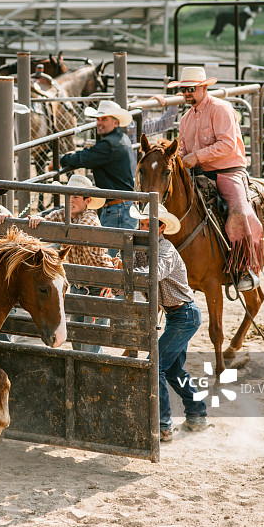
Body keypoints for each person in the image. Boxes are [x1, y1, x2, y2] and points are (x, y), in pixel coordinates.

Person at [169, 66, 263, 291]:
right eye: (184, 90)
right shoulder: (185, 120)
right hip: (198, 172)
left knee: (239, 210)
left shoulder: (221, 109)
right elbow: (183, 150)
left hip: (228, 170)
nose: (187, 93)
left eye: (191, 89)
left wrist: (196, 156)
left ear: (203, 88)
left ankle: (244, 266)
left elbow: (228, 144)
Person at [125, 204, 207, 442]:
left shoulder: (166, 249)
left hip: (184, 315)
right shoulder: (143, 248)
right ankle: (197, 414)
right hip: (179, 316)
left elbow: (155, 272)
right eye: (140, 224)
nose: (142, 228)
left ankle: (163, 424)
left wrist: (126, 269)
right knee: (172, 369)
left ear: (161, 228)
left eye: (147, 224)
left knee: (156, 364)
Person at [28, 175, 113, 353]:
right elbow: (49, 220)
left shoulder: (90, 217)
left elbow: (75, 234)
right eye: (68, 196)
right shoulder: (62, 214)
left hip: (98, 286)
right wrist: (39, 220)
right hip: (78, 284)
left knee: (89, 344)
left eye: (75, 197)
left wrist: (47, 225)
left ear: (87, 201)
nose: (70, 200)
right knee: (76, 340)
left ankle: (91, 377)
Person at [59, 100, 137, 256]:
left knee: (111, 259)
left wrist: (62, 159)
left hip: (117, 209)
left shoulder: (108, 145)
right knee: (120, 258)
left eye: (104, 119)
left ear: (115, 123)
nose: (99, 123)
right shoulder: (121, 139)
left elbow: (84, 158)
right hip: (123, 206)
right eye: (98, 119)